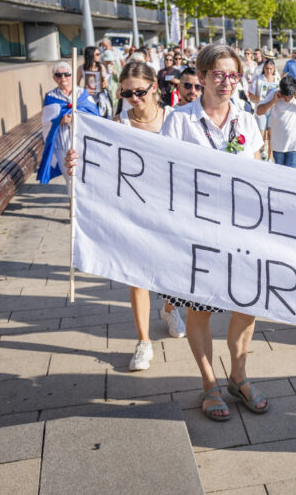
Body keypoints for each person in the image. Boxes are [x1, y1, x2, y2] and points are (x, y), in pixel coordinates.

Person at [159, 43, 269, 421]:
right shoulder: (180, 121)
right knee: (201, 309)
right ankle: (209, 383)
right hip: (199, 233)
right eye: (218, 74)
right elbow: (164, 173)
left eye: (233, 75)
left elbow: (257, 172)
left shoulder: (247, 120)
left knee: (247, 304)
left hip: (242, 232)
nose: (226, 82)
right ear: (202, 77)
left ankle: (238, 376)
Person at [113, 62, 186, 369]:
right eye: (127, 93)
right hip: (135, 210)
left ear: (155, 87)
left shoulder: (176, 119)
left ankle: (170, 308)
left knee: (171, 269)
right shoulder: (118, 122)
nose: (134, 98)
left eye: (139, 92)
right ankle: (143, 342)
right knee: (137, 277)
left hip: (171, 208)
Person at [37, 62, 99, 186]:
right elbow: (46, 122)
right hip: (63, 145)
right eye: (59, 75)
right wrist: (60, 121)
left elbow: (95, 117)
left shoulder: (83, 94)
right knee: (70, 181)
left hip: (82, 144)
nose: (63, 77)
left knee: (83, 179)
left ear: (72, 75)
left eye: (66, 74)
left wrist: (79, 117)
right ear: (55, 78)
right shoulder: (50, 97)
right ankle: (72, 204)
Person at [255, 75, 296, 168]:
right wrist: (273, 101)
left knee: (293, 177)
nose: (286, 99)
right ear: (281, 91)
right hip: (278, 146)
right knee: (280, 178)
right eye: (285, 96)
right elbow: (259, 111)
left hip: (295, 145)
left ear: (294, 93)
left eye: (289, 97)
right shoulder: (274, 93)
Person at [248, 59, 279, 157]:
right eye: (266, 68)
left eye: (270, 69)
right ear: (263, 69)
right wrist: (258, 98)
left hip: (274, 109)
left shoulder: (277, 79)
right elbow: (250, 94)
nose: (268, 71)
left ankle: (270, 157)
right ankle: (261, 151)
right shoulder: (258, 79)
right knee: (261, 133)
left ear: (274, 69)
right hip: (261, 108)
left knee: (271, 134)